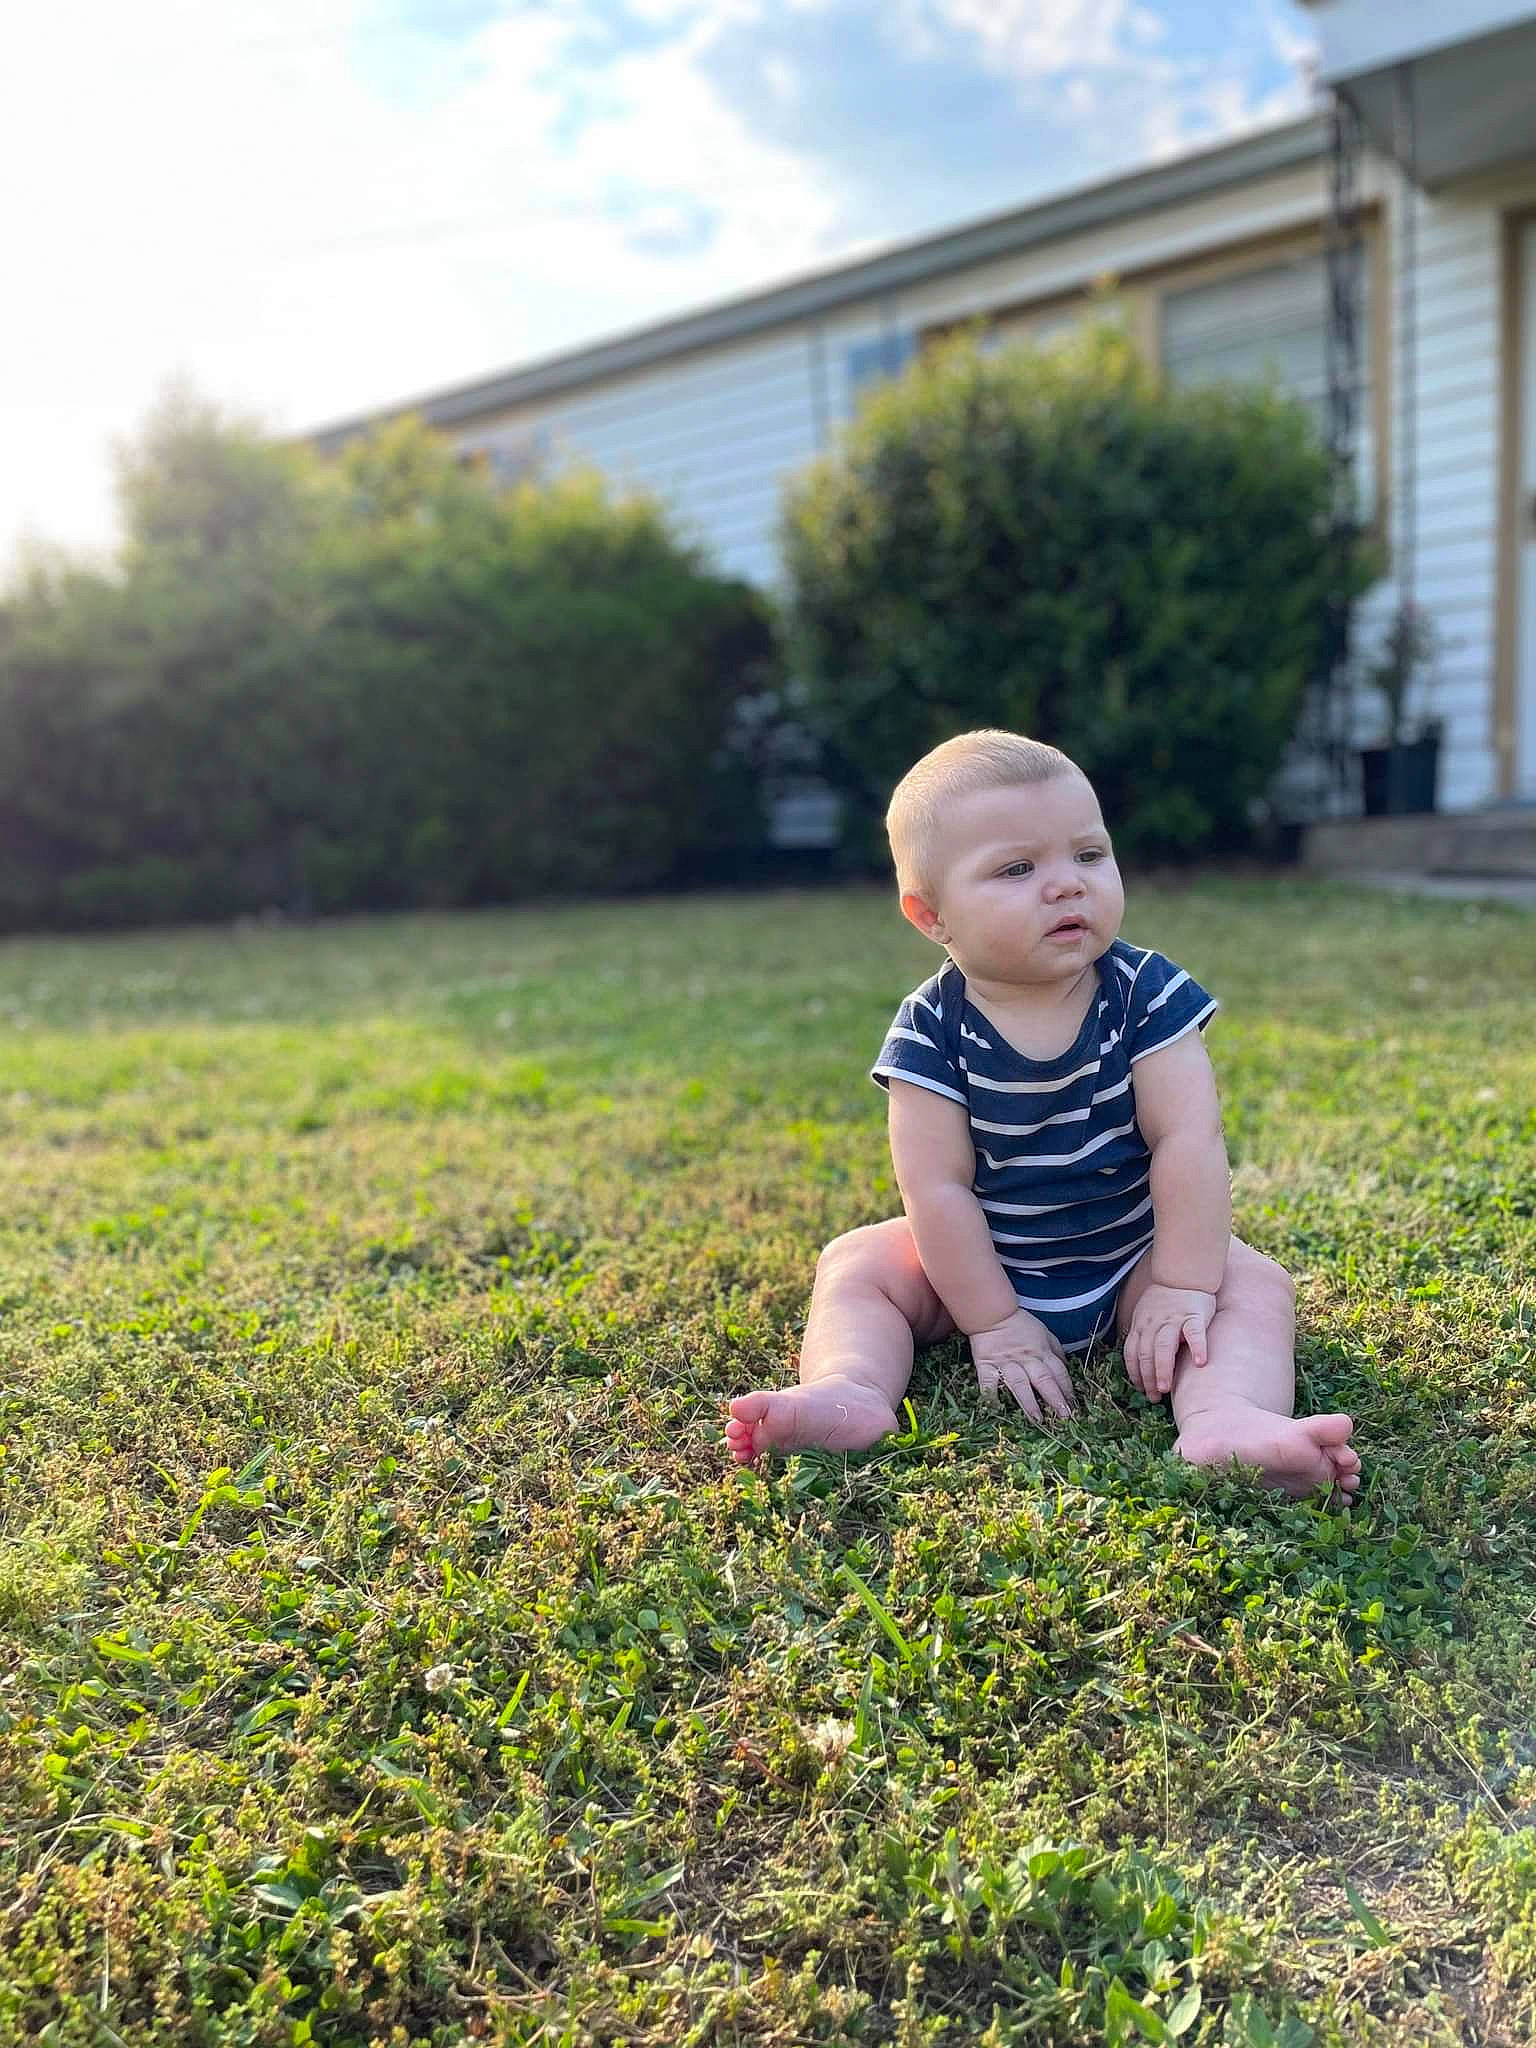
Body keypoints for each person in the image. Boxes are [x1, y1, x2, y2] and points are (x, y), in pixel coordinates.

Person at [725, 730, 1360, 1500]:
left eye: (1088, 856)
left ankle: (1228, 1417)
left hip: (1131, 1257)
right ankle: (851, 1390)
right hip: (980, 1267)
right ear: (931, 917)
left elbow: (1187, 1139)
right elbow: (938, 1192)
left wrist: (1184, 1282)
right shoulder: (930, 1030)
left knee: (1252, 1283)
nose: (1067, 885)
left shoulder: (1145, 994)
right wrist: (992, 1320)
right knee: (857, 1264)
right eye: (1018, 869)